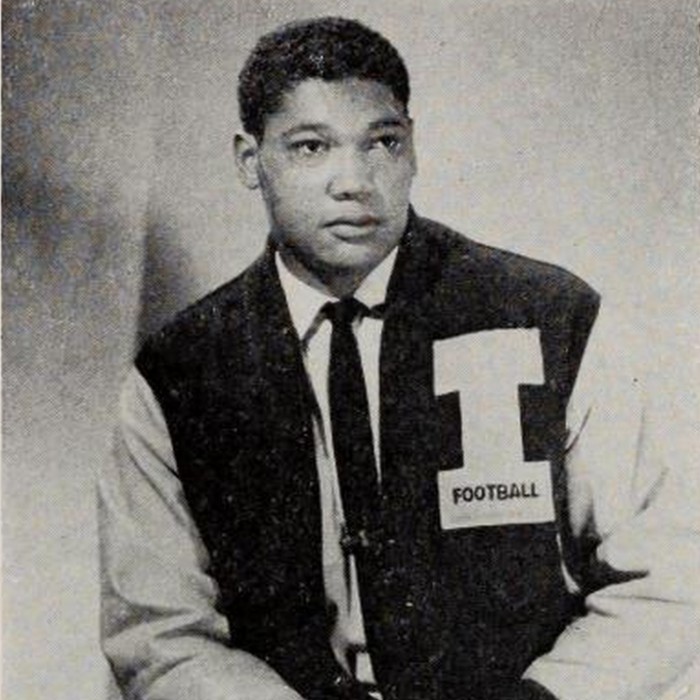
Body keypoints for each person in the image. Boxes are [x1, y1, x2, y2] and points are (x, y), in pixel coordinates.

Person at [98, 16, 699, 700]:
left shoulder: (551, 319)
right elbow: (161, 632)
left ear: (412, 147)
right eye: (311, 147)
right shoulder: (180, 372)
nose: (354, 181)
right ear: (248, 160)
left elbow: (669, 580)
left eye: (382, 142)